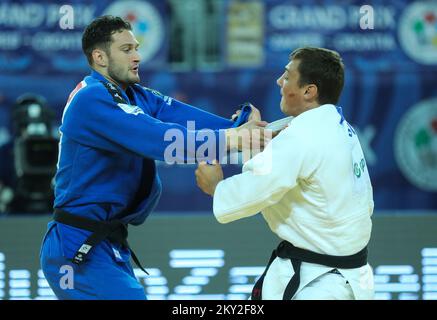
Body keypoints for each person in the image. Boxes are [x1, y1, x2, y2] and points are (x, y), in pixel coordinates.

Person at [40, 15, 270, 300]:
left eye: (136, 48)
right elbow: (163, 141)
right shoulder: (92, 99)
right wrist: (236, 137)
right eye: (126, 50)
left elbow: (184, 119)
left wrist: (243, 125)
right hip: (76, 249)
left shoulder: (134, 95)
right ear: (99, 57)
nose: (137, 56)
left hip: (106, 243)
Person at [195, 47, 375, 300]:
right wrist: (255, 134)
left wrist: (216, 187)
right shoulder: (335, 125)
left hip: (322, 284)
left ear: (309, 91)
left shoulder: (303, 137)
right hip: (340, 274)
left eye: (288, 76)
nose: (279, 81)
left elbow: (257, 189)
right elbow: (279, 165)